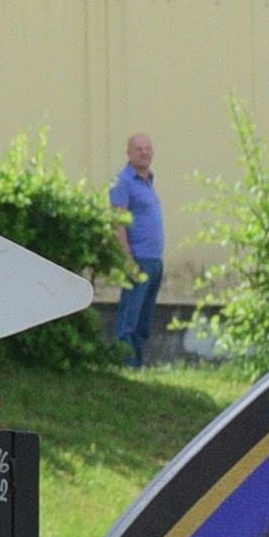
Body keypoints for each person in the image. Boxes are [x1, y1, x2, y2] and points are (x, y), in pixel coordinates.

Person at [110, 133, 165, 368]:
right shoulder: (122, 182)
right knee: (129, 318)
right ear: (129, 153)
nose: (144, 153)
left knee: (144, 319)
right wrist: (127, 259)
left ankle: (138, 364)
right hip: (138, 260)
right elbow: (118, 223)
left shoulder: (148, 180)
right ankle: (124, 364)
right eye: (139, 149)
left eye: (148, 149)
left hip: (154, 260)